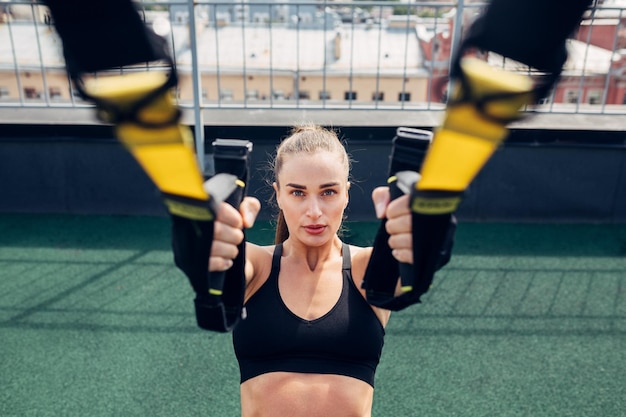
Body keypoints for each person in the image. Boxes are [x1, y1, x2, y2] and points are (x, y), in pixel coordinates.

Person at [207, 124, 414, 417]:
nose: (314, 211)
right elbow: (219, 262)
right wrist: (211, 235)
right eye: (298, 193)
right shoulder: (258, 265)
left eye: (328, 191)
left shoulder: (366, 268)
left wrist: (418, 230)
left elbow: (410, 268)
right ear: (279, 195)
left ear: (346, 195)